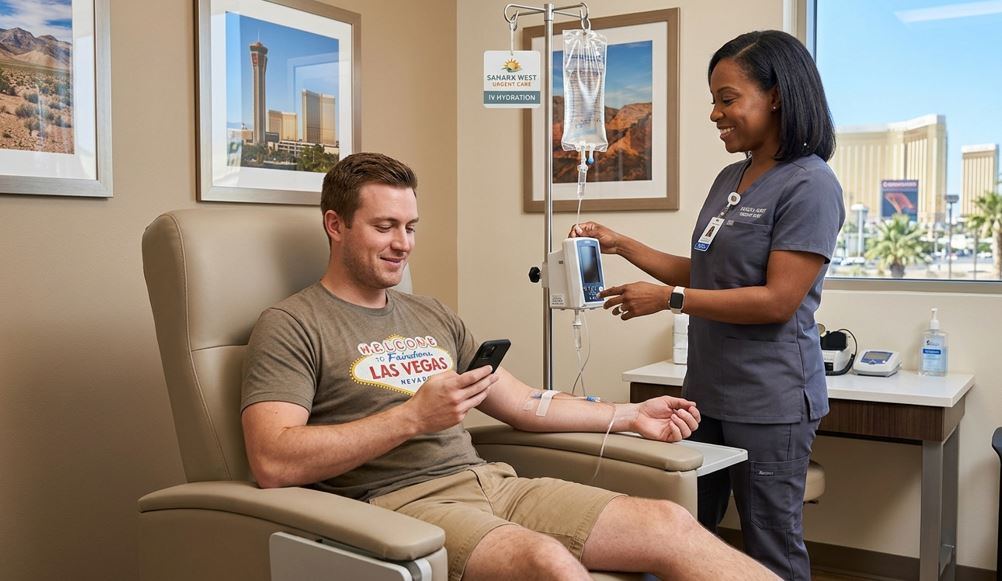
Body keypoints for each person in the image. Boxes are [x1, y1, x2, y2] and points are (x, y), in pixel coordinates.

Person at [241, 152, 778, 581]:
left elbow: (522, 403)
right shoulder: (292, 323)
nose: (402, 244)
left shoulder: (431, 312)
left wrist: (631, 415)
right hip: (397, 504)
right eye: (384, 227)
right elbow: (273, 460)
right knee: (548, 564)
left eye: (410, 226)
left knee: (668, 523)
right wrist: (411, 418)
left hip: (494, 483)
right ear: (335, 225)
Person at [572, 30, 844, 580]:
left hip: (770, 398)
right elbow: (708, 273)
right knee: (692, 532)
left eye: (727, 98)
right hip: (707, 392)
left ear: (777, 96)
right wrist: (621, 244)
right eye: (714, 100)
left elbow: (777, 300)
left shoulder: (811, 184)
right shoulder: (732, 176)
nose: (715, 114)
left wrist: (671, 300)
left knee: (771, 544)